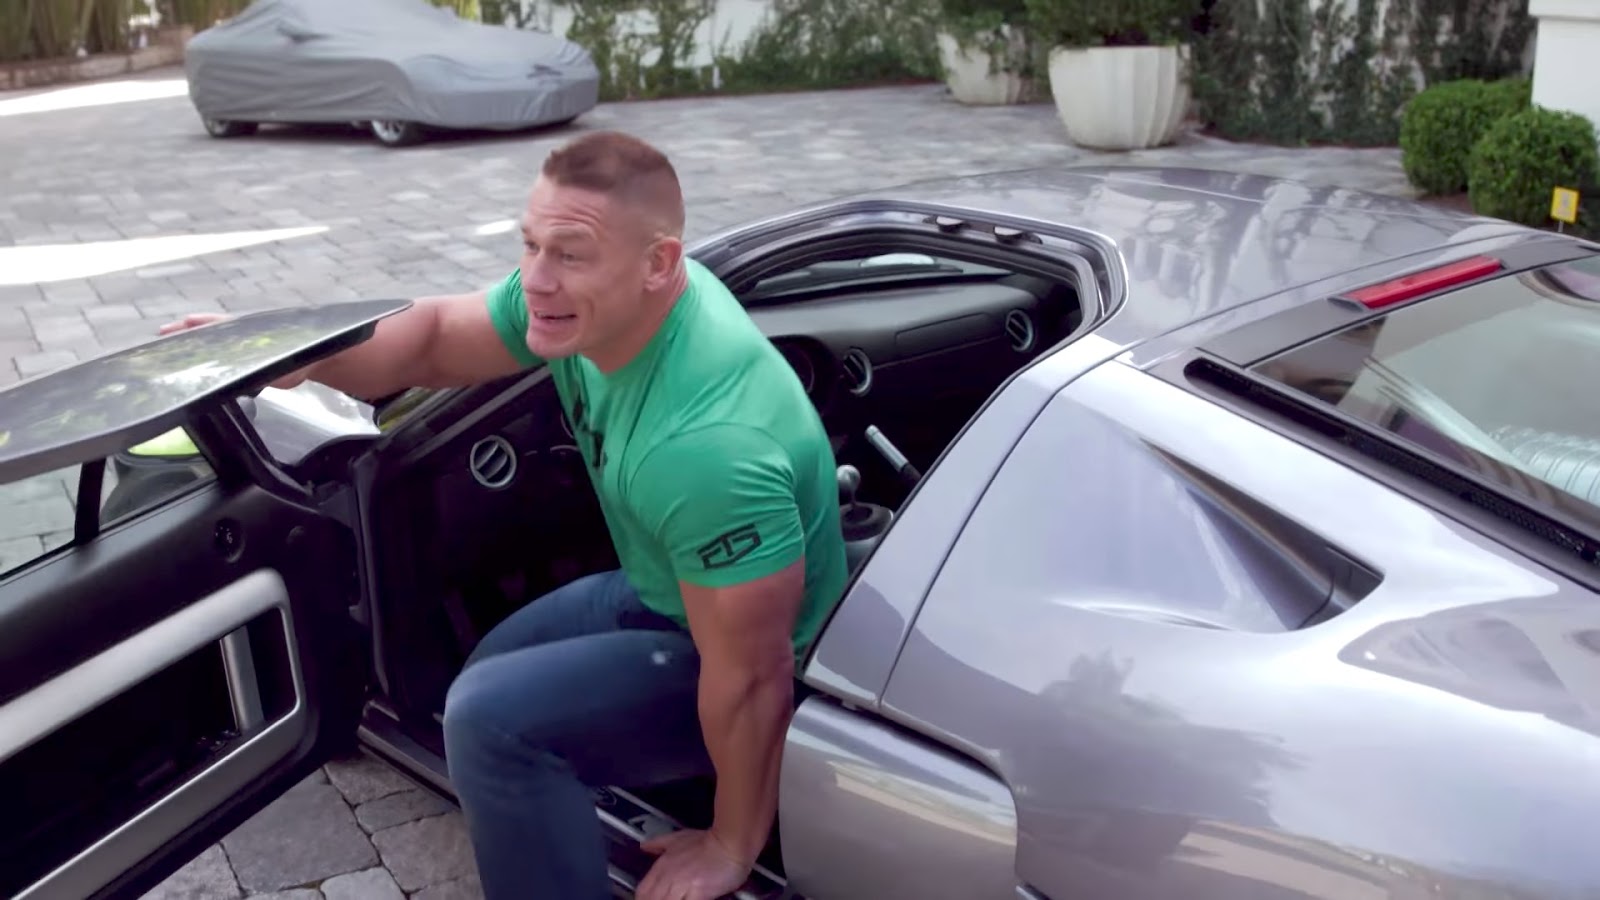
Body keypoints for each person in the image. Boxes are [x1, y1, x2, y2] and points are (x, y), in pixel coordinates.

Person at [160, 130, 848, 900]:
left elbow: (754, 678)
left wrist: (729, 842)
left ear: (659, 264)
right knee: (487, 669)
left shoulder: (705, 446)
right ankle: (562, 812)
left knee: (489, 725)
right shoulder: (599, 305)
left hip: (784, 665)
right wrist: (293, 352)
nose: (537, 280)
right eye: (530, 245)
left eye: (570, 255)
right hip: (668, 592)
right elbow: (431, 339)